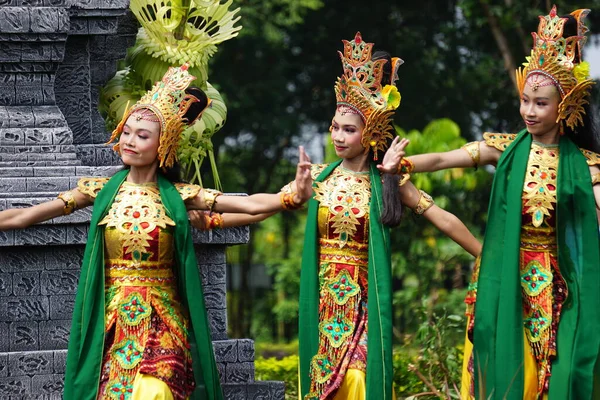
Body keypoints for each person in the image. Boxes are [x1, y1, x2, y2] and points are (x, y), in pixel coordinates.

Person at [0, 64, 313, 400]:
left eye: (142, 135)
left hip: (162, 322)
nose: (130, 141)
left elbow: (249, 206)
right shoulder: (100, 191)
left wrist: (292, 195)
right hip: (114, 324)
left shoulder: (178, 197)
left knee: (154, 391)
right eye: (128, 131)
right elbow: (24, 217)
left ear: (162, 144)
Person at [381, 7, 600, 399]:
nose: (529, 112)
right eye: (525, 101)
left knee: (556, 379)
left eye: (541, 104)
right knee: (508, 374)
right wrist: (404, 163)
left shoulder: (586, 168)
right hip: (505, 279)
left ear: (565, 105)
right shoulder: (506, 149)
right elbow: (448, 159)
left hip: (558, 288)